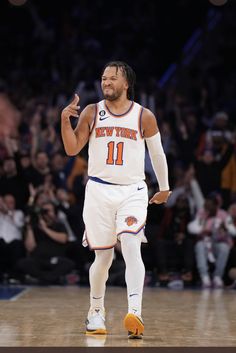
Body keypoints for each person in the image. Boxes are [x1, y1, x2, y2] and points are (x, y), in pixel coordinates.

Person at [61, 61, 171, 338]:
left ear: (126, 84)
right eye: (103, 78)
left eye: (112, 78)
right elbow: (72, 149)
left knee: (132, 244)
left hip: (132, 190)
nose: (106, 82)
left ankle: (135, 311)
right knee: (104, 257)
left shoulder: (143, 116)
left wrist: (165, 186)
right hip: (98, 190)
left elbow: (157, 155)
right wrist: (65, 120)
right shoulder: (91, 112)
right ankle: (95, 311)